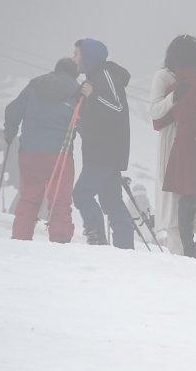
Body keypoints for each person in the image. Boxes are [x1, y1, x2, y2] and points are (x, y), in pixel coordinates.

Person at [150, 34, 196, 258]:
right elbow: (155, 112)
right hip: (174, 138)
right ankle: (182, 250)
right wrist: (175, 97)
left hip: (190, 140)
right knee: (179, 200)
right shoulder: (163, 77)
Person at [2, 58, 81, 242]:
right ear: (74, 74)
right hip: (59, 154)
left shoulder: (34, 85)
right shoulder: (77, 92)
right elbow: (85, 122)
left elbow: (13, 110)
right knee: (59, 199)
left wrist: (10, 132)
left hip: (29, 151)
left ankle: (20, 237)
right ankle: (59, 240)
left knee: (28, 197)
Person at [71, 38, 135, 248]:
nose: (74, 59)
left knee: (82, 193)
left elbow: (117, 107)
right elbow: (97, 117)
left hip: (104, 151)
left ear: (88, 56)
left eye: (76, 54)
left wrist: (93, 95)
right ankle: (125, 248)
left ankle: (97, 238)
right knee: (111, 201)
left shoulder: (105, 74)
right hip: (103, 150)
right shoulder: (96, 77)